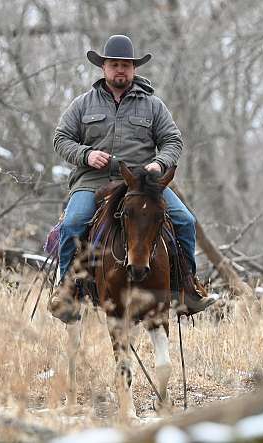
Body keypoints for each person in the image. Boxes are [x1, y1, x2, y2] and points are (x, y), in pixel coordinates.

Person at [48, 35, 215, 322]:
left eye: (126, 65)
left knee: (185, 221)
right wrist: (86, 155)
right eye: (114, 65)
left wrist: (158, 164)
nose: (120, 70)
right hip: (93, 181)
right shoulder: (82, 104)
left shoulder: (153, 105)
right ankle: (67, 291)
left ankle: (188, 288)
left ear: (134, 69)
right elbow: (60, 139)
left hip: (141, 185)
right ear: (104, 68)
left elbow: (173, 141)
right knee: (74, 222)